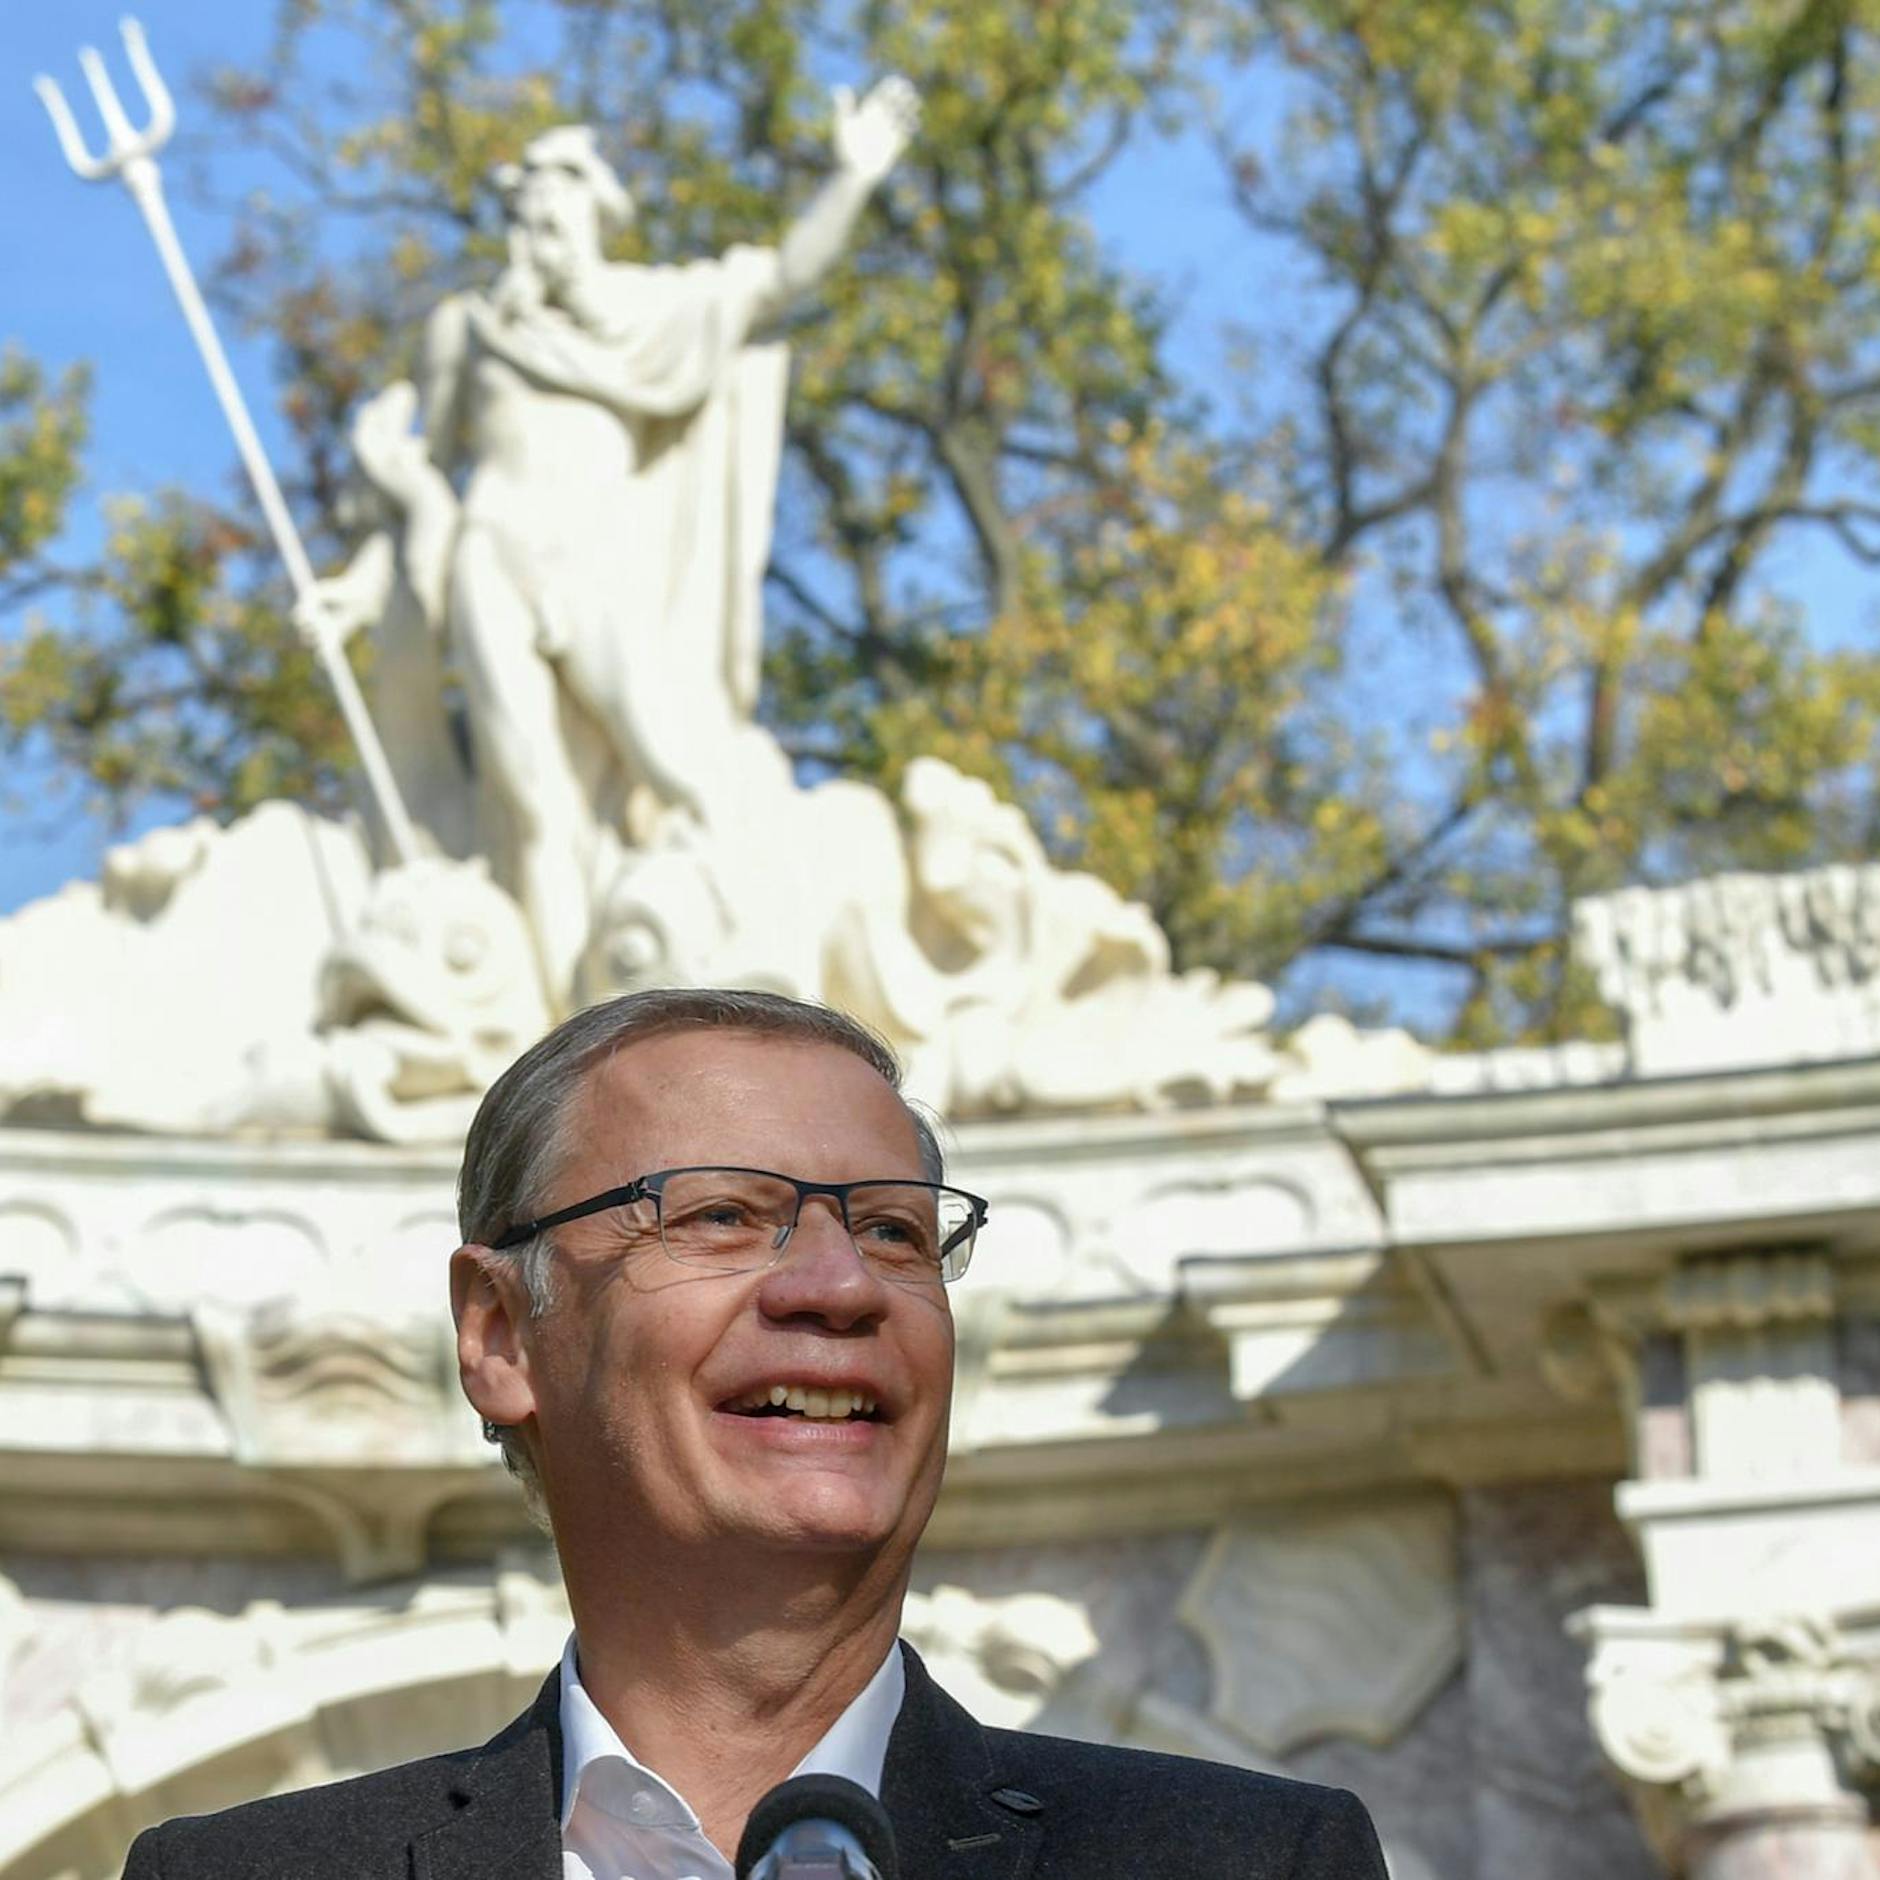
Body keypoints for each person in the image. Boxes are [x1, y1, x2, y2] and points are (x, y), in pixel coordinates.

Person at [123, 987, 1389, 1877]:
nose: (839, 1284)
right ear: (501, 1333)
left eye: (893, 1228)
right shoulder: (239, 1873)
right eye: (721, 1214)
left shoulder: (1250, 1859)